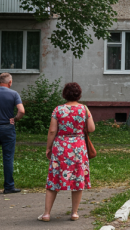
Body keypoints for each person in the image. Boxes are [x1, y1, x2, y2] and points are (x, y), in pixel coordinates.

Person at [39, 82, 94, 222]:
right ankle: (74, 213)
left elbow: (52, 131)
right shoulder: (84, 109)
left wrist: (48, 148)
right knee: (77, 178)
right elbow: (91, 128)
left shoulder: (58, 110)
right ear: (79, 94)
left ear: (64, 94)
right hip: (78, 147)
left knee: (54, 179)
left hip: (61, 147)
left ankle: (46, 214)